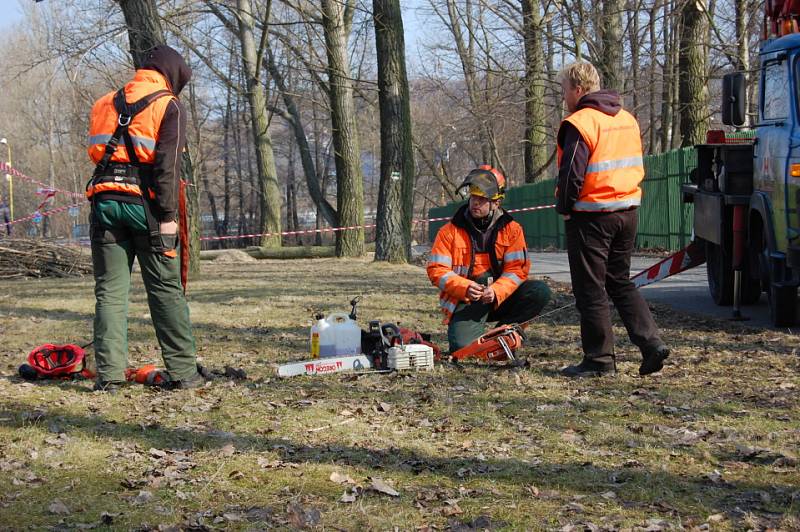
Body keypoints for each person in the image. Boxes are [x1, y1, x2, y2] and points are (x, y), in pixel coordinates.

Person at [86, 45, 202, 392]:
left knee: (109, 293)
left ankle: (109, 377)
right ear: (172, 76)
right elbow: (166, 167)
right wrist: (168, 215)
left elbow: (96, 151)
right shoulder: (169, 105)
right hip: (148, 207)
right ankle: (183, 372)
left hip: (104, 202)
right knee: (165, 290)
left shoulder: (104, 102)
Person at [555, 61, 670, 377]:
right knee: (619, 282)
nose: (564, 96)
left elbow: (572, 175)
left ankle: (599, 360)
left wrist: (564, 206)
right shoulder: (627, 119)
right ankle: (651, 343)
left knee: (590, 290)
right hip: (628, 212)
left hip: (592, 216)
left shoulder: (580, 122)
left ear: (578, 89)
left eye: (564, 89)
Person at [427, 165, 551, 353]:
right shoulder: (448, 232)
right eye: (473, 197)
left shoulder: (512, 230)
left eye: (482, 199)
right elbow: (437, 270)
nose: (475, 203)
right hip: (466, 300)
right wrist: (465, 287)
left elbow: (517, 270)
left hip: (499, 298)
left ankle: (501, 337)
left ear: (496, 202)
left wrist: (496, 291)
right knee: (462, 349)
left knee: (539, 291)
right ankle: (488, 343)